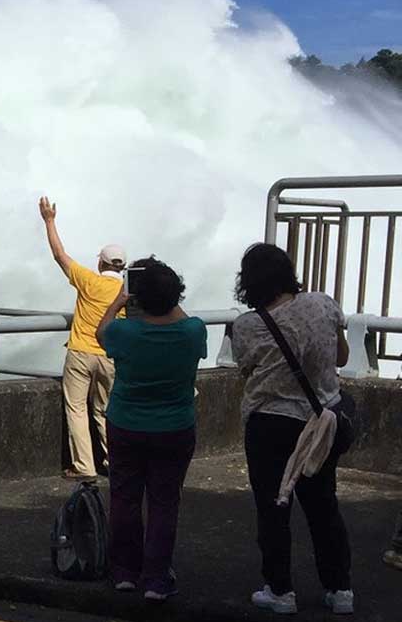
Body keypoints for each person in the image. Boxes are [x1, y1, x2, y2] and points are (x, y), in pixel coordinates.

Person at [230, 243, 353, 616]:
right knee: (323, 506)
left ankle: (280, 591)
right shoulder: (322, 303)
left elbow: (247, 370)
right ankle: (340, 589)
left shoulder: (248, 325)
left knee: (273, 508)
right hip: (322, 421)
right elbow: (342, 357)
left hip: (271, 423)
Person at [96, 257, 207, 603]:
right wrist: (167, 296)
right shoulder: (193, 330)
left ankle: (125, 572)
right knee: (164, 502)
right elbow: (184, 320)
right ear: (176, 296)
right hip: (174, 427)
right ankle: (157, 578)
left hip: (126, 424)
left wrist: (118, 302)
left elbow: (101, 333)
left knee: (124, 498)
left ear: (137, 296)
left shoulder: (125, 332)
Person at [39, 196, 124, 479]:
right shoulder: (126, 293)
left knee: (77, 409)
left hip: (80, 352)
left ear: (101, 263)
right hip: (111, 356)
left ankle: (84, 467)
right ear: (122, 267)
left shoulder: (88, 280)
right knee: (106, 411)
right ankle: (115, 464)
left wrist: (49, 221)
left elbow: (59, 254)